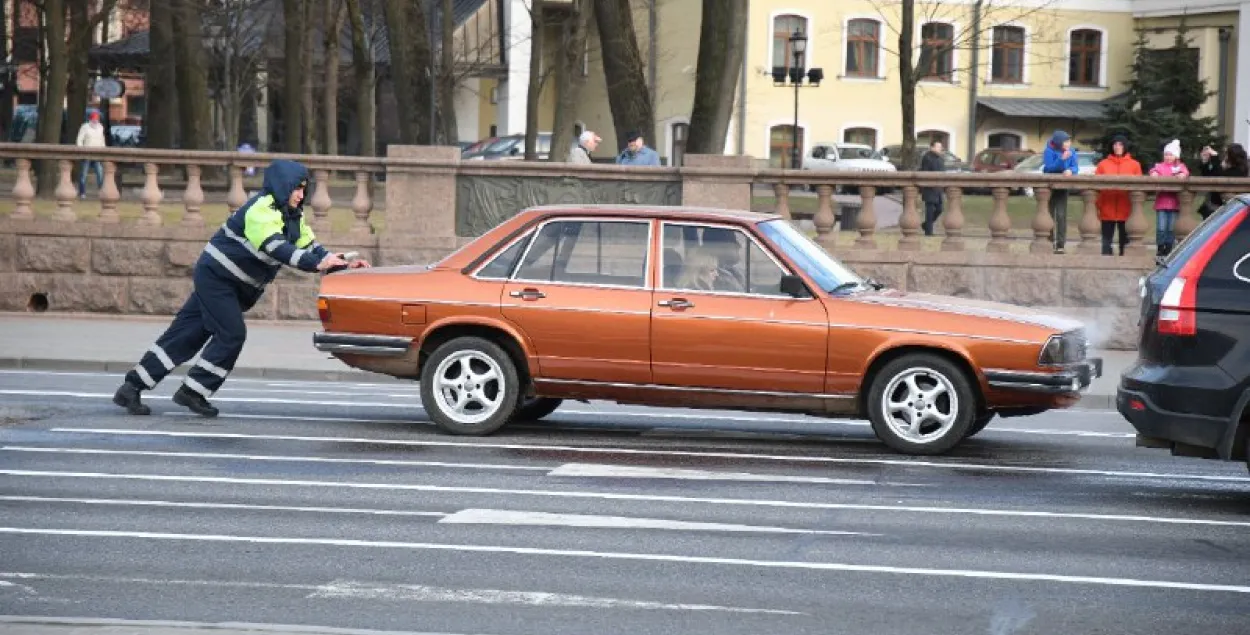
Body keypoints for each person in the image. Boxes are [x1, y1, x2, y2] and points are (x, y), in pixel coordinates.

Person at [112, 159, 371, 418]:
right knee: (231, 334)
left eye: (305, 189)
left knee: (185, 335)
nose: (302, 195)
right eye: (297, 188)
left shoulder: (292, 216)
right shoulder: (261, 210)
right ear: (283, 186)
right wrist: (318, 264)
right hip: (217, 279)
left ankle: (132, 387)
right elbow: (277, 248)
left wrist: (342, 265)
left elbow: (312, 249)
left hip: (232, 286)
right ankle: (193, 391)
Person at [1094, 135, 1142, 256]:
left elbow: (1140, 187)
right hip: (1107, 207)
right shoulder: (1103, 164)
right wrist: (1099, 203)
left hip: (1126, 208)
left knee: (1124, 243)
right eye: (1115, 144)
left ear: (1125, 146)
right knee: (1106, 242)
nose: (1117, 147)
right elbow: (1095, 185)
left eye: (1120, 144)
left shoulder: (1134, 165)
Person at [1148, 139, 1190, 256]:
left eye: (1170, 154)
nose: (1168, 157)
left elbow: (1185, 172)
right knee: (1161, 228)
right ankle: (1160, 247)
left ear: (1175, 156)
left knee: (1171, 228)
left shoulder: (1180, 166)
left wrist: (1182, 174)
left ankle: (1168, 247)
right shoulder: (1160, 166)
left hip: (1174, 203)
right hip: (1161, 202)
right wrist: (1154, 174)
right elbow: (1153, 170)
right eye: (1166, 154)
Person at [1042, 130, 1080, 254]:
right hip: (1050, 187)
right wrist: (1061, 159)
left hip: (1063, 187)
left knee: (1061, 215)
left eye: (1069, 141)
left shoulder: (1072, 151)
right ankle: (1049, 241)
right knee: (1049, 214)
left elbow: (1075, 166)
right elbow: (1049, 168)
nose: (1068, 144)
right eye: (1066, 141)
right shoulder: (1049, 151)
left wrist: (1071, 171)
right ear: (1059, 142)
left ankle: (1060, 244)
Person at [1197, 143, 1249, 219]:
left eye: (1226, 153)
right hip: (1213, 205)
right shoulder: (1224, 166)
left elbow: (1219, 178)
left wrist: (1215, 157)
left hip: (1225, 207)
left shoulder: (1240, 169)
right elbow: (1209, 177)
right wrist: (1205, 161)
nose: (1225, 156)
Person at [76, 111, 106, 198]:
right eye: (94, 119)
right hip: (87, 153)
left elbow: (102, 140)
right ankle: (82, 192)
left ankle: (101, 191)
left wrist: (103, 149)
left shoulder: (100, 127)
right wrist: (81, 150)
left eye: (97, 119)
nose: (95, 121)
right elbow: (80, 139)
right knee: (83, 174)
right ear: (90, 119)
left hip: (97, 154)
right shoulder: (85, 127)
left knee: (100, 173)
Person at [918, 140, 946, 236]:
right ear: (932, 147)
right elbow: (925, 172)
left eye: (940, 147)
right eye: (938, 146)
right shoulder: (927, 157)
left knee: (939, 209)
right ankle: (928, 231)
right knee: (929, 211)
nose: (940, 148)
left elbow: (942, 172)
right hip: (929, 188)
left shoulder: (940, 158)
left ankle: (926, 225)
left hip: (938, 188)